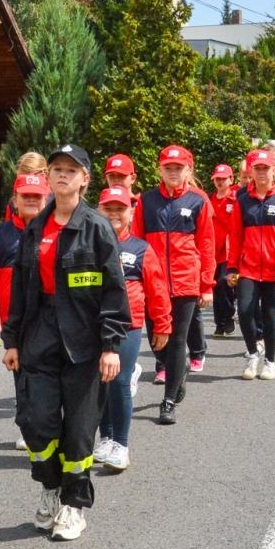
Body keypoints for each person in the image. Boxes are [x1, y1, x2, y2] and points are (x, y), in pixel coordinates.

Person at [1, 145, 128, 541]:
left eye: (70, 170)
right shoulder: (36, 228)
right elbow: (21, 289)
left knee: (78, 429)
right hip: (40, 336)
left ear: (85, 179)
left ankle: (74, 505)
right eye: (56, 169)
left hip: (84, 342)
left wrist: (110, 345)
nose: (61, 175)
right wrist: (12, 341)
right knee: (36, 422)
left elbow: (113, 290)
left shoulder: (97, 227)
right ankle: (50, 489)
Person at [131, 145, 215, 425]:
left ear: (187, 170)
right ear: (160, 170)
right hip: (153, 284)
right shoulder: (147, 200)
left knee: (178, 339)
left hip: (185, 281)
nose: (173, 172)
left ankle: (167, 402)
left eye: (178, 168)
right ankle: (178, 373)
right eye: (168, 168)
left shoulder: (198, 201)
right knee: (158, 341)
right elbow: (136, 240)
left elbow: (206, 244)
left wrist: (206, 284)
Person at [94, 187, 170, 473]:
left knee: (120, 382)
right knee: (100, 383)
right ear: (99, 210)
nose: (114, 214)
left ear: (130, 212)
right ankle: (106, 438)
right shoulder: (91, 244)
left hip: (129, 324)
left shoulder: (141, 248)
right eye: (108, 208)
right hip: (96, 326)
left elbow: (157, 290)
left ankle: (122, 446)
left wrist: (162, 324)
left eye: (120, 209)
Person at [0, 172, 49, 449]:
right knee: (24, 381)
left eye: (37, 196)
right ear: (15, 199)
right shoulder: (0, 235)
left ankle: (50, 427)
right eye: (26, 196)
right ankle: (30, 429)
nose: (31, 200)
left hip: (51, 320)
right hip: (15, 325)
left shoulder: (57, 229)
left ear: (46, 198)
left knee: (48, 378)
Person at [227, 149, 275, 379]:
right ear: (251, 172)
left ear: (274, 170)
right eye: (258, 169)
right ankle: (252, 353)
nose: (262, 173)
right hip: (248, 268)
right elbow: (235, 236)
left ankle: (270, 361)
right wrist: (232, 267)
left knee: (269, 315)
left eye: (266, 168)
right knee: (244, 311)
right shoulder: (242, 201)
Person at [209, 163, 240, 336]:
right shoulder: (209, 199)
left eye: (223, 179)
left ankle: (228, 317)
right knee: (215, 286)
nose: (220, 182)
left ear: (231, 179)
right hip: (212, 250)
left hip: (229, 250)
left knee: (224, 282)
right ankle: (219, 323)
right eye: (217, 179)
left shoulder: (235, 200)